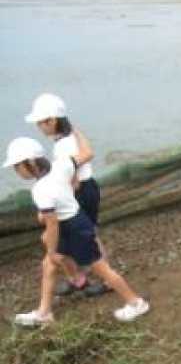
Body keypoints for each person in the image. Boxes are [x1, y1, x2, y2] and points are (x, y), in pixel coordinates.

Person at [3, 137, 149, 325]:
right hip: (75, 220)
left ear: (30, 163)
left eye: (17, 166)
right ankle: (44, 313)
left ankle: (136, 303)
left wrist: (52, 249)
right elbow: (86, 154)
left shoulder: (40, 190)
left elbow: (52, 223)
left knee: (100, 268)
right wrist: (75, 133)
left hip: (73, 228)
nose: (17, 171)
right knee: (49, 265)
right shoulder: (61, 165)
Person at [25, 93, 108, 297]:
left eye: (40, 124)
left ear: (52, 121)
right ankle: (80, 277)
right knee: (81, 236)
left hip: (79, 192)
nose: (39, 128)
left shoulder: (62, 147)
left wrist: (56, 199)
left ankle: (101, 278)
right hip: (87, 189)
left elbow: (73, 180)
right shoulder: (70, 137)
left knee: (82, 236)